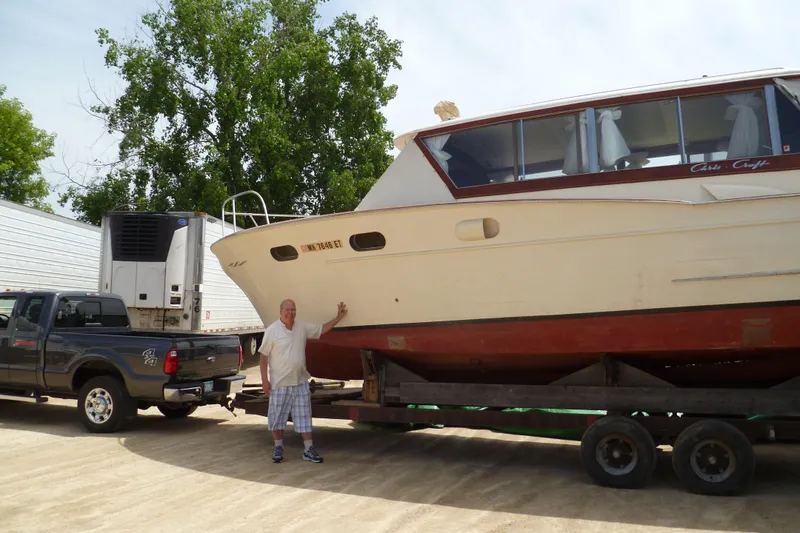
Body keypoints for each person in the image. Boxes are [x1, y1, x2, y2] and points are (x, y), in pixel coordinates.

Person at [258, 298, 347, 464]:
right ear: (280, 311)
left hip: (300, 382)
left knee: (304, 416)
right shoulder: (272, 331)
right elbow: (263, 358)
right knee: (277, 417)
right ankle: (278, 447)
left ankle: (308, 449)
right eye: (287, 310)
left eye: (293, 310)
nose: (290, 313)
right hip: (280, 383)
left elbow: (321, 330)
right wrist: (265, 381)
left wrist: (337, 318)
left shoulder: (301, 327)